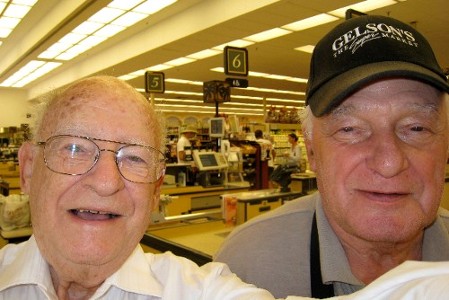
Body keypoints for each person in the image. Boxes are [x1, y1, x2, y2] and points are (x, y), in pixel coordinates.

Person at [214, 14, 449, 298]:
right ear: (312, 150)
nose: (389, 163)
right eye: (350, 129)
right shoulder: (246, 268)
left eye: (416, 128)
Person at [0, 76, 277, 299]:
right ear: (28, 170)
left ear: (156, 190)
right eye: (75, 148)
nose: (107, 183)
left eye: (134, 157)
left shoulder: (197, 291)